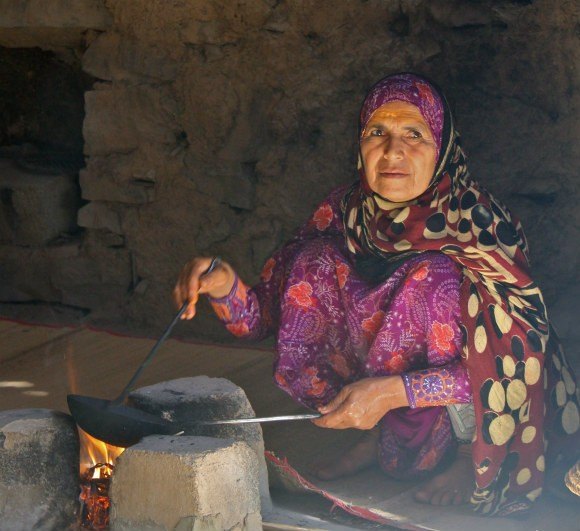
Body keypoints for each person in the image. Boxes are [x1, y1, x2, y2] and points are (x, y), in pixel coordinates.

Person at [173, 73, 579, 516]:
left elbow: (521, 360)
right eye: (377, 133)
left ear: (441, 148)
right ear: (360, 144)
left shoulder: (477, 224)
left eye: (414, 134)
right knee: (315, 261)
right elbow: (260, 320)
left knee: (434, 277)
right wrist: (224, 285)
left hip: (485, 413)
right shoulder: (345, 212)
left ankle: (465, 454)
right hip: (389, 399)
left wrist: (392, 392)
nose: (393, 151)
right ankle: (381, 431)